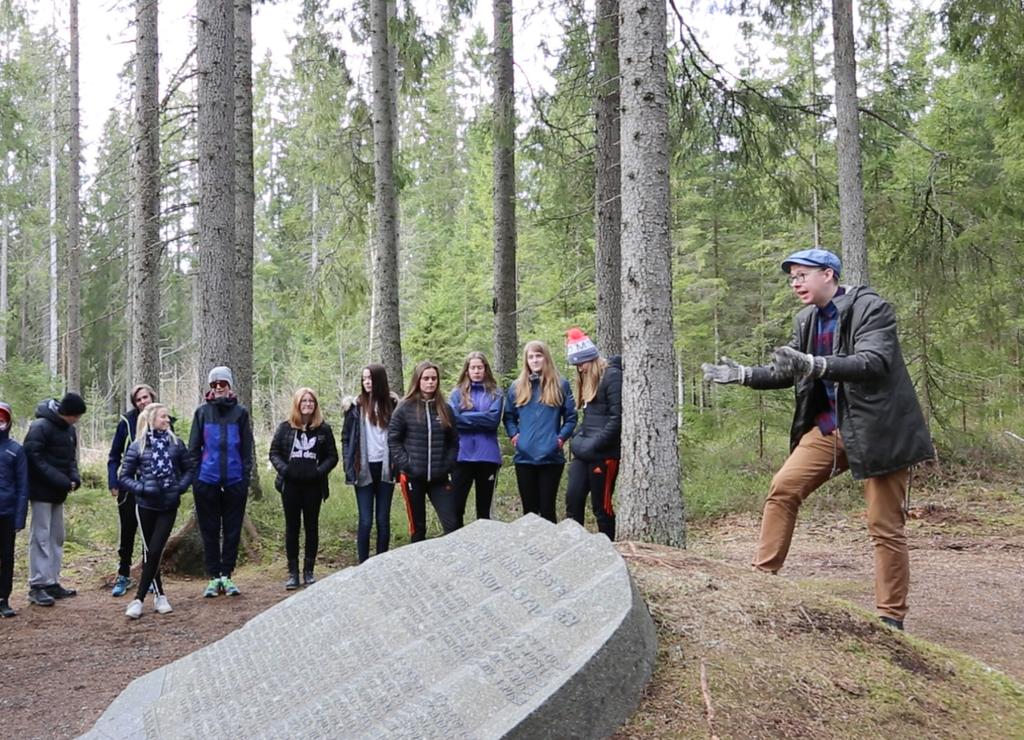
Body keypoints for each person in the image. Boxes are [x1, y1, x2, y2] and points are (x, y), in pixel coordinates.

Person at [701, 247, 934, 631]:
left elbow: (873, 362)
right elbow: (789, 371)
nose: (795, 283)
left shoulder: (871, 309)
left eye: (802, 275)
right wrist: (743, 375)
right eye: (791, 277)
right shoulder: (807, 319)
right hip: (828, 429)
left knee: (884, 524)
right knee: (783, 489)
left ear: (828, 274)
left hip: (878, 430)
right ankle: (761, 580)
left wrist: (817, 364)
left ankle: (891, 616)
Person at [118, 404, 193, 619]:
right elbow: (124, 477)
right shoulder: (137, 447)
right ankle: (160, 596)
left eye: (167, 417)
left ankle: (138, 599)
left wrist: (180, 487)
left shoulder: (176, 444)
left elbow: (189, 469)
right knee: (148, 551)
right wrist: (142, 488)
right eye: (163, 417)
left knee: (156, 550)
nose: (167, 420)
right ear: (152, 419)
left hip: (168, 505)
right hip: (145, 506)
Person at [188, 366, 254, 598]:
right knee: (210, 530)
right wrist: (197, 478)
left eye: (222, 384)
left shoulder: (241, 413)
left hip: (235, 481)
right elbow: (193, 449)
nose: (218, 388)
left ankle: (227, 575)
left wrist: (245, 477)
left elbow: (247, 449)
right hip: (207, 481)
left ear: (230, 386)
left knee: (233, 530)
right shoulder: (202, 413)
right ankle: (213, 577)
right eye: (214, 384)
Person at [269, 387, 338, 588]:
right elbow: (274, 453)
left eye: (311, 401)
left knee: (311, 527)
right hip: (290, 485)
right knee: (292, 528)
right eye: (304, 401)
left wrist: (319, 472)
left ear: (315, 405)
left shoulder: (323, 429)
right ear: (297, 404)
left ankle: (309, 571)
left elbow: (333, 456)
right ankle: (293, 573)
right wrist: (286, 470)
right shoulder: (285, 428)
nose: (307, 404)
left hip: (313, 486)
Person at [503, 340, 577, 523]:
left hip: (550, 457)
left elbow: (571, 418)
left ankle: (550, 550)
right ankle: (530, 550)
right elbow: (509, 416)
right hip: (524, 457)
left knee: (547, 510)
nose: (535, 360)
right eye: (531, 357)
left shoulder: (560, 385)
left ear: (546, 358)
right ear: (526, 360)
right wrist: (514, 436)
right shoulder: (516, 387)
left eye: (538, 356)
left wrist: (559, 439)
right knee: (529, 513)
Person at [23, 392, 86, 606]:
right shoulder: (40, 426)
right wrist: (60, 479)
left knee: (56, 536)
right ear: (66, 413)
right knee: (40, 536)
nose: (77, 420)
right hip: (41, 492)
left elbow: (71, 459)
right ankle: (37, 584)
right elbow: (33, 457)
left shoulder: (69, 430)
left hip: (58, 492)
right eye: (75, 416)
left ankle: (52, 581)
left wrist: (74, 478)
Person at [388, 361, 459, 542]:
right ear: (418, 380)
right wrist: (407, 464)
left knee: (453, 525)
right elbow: (393, 439)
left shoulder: (445, 408)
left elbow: (453, 441)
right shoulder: (405, 407)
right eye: (426, 378)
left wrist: (447, 465)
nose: (430, 382)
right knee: (418, 528)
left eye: (434, 378)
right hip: (413, 477)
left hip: (439, 477)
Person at [564, 329, 622, 540]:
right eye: (576, 365)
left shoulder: (612, 376)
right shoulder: (587, 380)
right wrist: (578, 439)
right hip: (585, 452)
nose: (580, 368)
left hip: (605, 455)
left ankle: (608, 546)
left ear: (591, 359)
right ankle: (574, 544)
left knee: (601, 504)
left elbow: (617, 418)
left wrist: (595, 444)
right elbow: (588, 418)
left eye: (582, 363)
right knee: (573, 497)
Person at [342, 365, 398, 563]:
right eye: (364, 378)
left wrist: (397, 464)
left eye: (371, 378)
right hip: (362, 469)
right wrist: (349, 465)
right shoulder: (355, 408)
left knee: (383, 520)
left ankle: (380, 562)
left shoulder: (392, 405)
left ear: (379, 380)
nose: (367, 382)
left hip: (385, 468)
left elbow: (400, 436)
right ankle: (363, 563)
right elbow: (346, 438)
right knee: (365, 520)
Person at [107, 383, 156, 597]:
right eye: (139, 399)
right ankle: (124, 574)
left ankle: (151, 577)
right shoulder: (127, 422)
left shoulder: (163, 418)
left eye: (145, 397)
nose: (143, 401)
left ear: (152, 397)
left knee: (151, 534)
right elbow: (114, 455)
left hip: (153, 487)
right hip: (129, 486)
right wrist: (113, 481)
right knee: (128, 532)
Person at [448, 352, 504, 528]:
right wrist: (481, 418)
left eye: (480, 367)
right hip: (462, 456)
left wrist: (465, 416)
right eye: (473, 367)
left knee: (484, 510)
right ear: (467, 370)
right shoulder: (457, 394)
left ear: (486, 369)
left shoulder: (496, 393)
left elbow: (493, 421)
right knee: (456, 508)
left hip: (487, 457)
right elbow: (452, 420)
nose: (476, 371)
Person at [0, 402, 29, 618]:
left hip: (7, 514)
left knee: (7, 557)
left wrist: (20, 517)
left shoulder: (16, 450)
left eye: (3, 418)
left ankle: (4, 599)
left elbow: (23, 486)